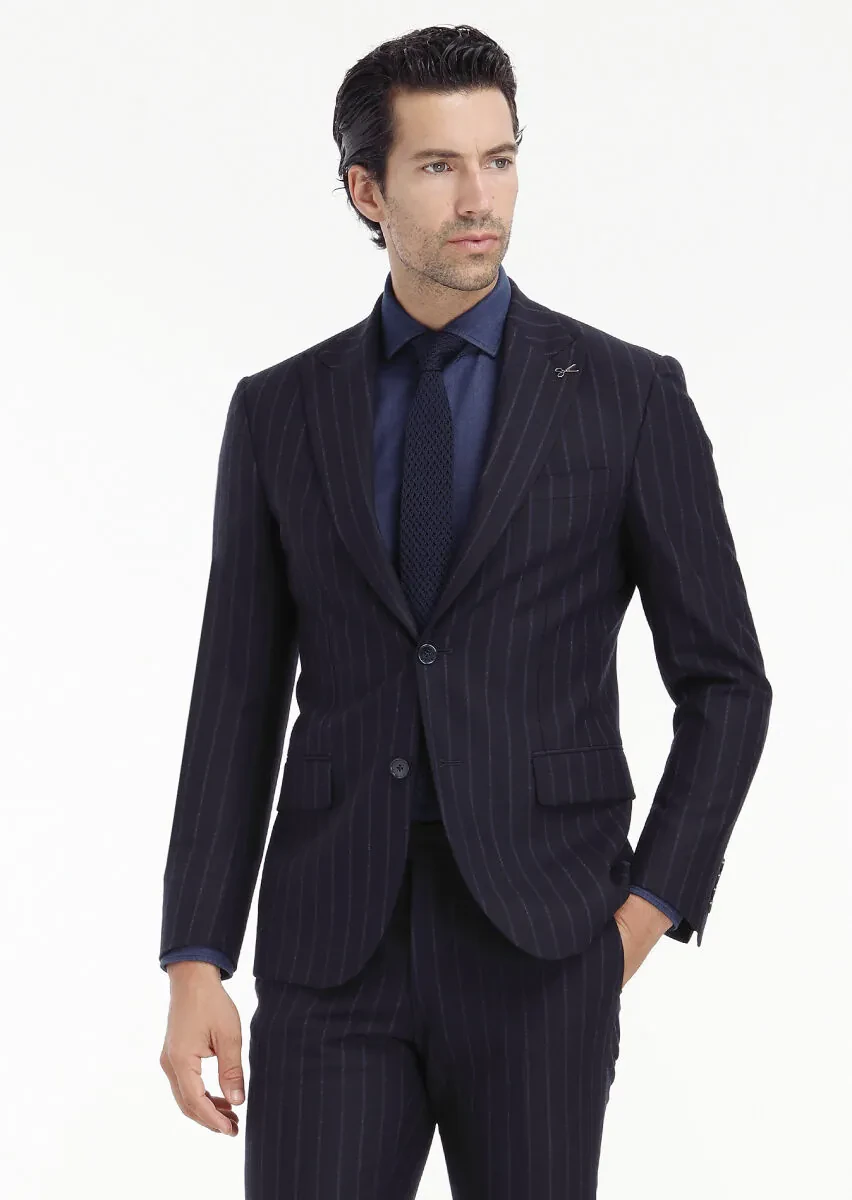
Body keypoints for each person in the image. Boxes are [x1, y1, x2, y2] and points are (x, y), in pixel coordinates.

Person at [158, 23, 772, 1199]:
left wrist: (642, 916)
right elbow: (234, 697)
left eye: (499, 159)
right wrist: (196, 956)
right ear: (367, 190)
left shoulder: (626, 395)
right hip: (335, 946)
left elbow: (728, 685)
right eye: (439, 166)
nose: (479, 197)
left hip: (544, 939)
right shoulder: (280, 411)